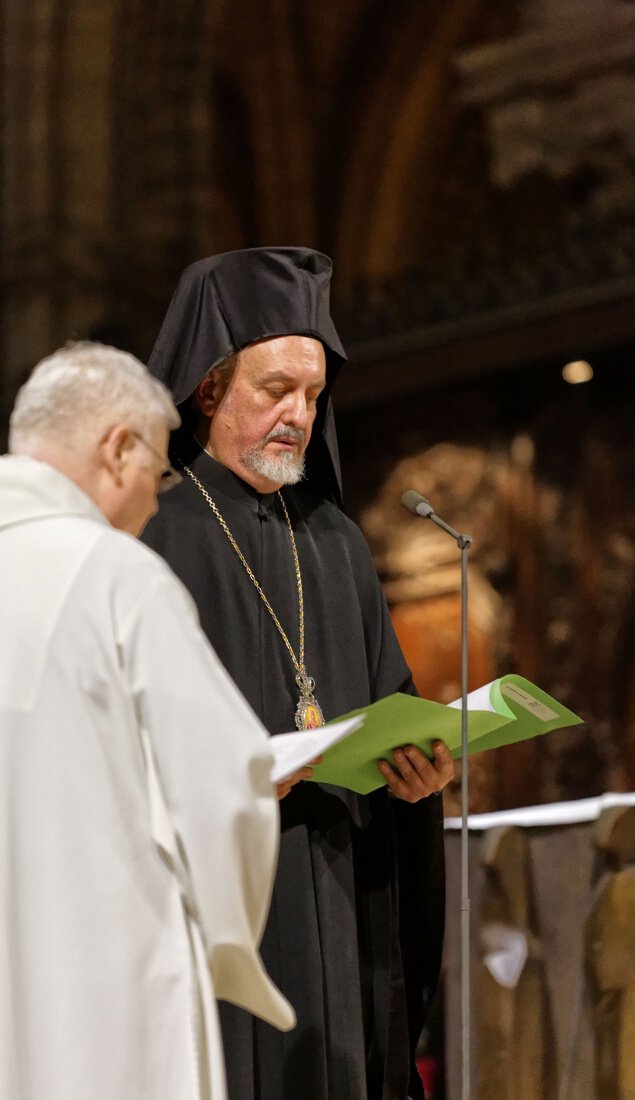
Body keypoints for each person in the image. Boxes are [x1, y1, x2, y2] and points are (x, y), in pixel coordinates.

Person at [0, 342, 294, 1100]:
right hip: (95, 986)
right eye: (157, 473)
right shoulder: (115, 577)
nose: (156, 506)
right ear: (117, 448)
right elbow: (223, 788)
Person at [143, 248, 455, 1100]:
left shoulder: (338, 543)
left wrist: (417, 777)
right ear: (209, 388)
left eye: (313, 395)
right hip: (222, 916)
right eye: (274, 388)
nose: (299, 414)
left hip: (336, 895)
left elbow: (388, 708)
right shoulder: (147, 536)